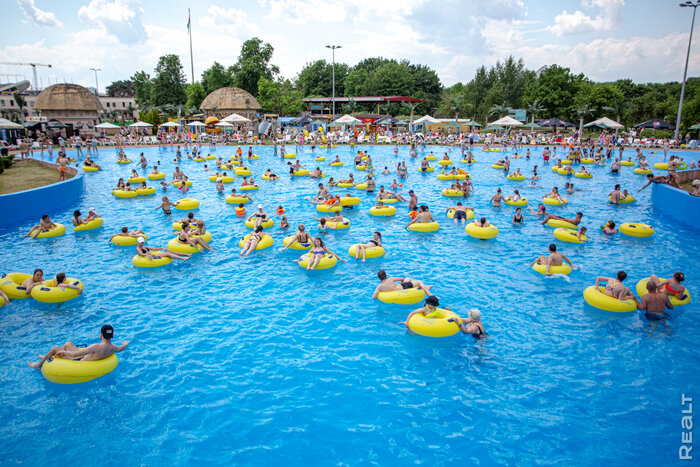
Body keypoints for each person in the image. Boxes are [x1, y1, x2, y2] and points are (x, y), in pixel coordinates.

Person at [28, 325, 130, 370]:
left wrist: (64, 352)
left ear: (101, 335)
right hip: (85, 357)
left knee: (55, 348)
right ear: (112, 335)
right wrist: (125, 343)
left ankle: (39, 365)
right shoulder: (114, 348)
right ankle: (49, 357)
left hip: (79, 362)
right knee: (68, 344)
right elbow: (122, 348)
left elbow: (76, 354)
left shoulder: (96, 346)